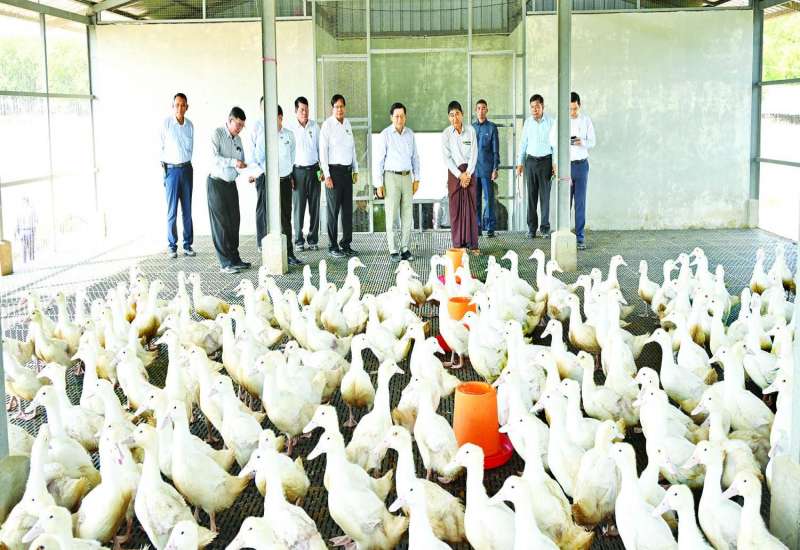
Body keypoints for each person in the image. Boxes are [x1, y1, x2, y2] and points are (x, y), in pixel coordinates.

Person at [248, 100, 303, 266]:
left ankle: (289, 254)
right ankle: (270, 255)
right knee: (269, 218)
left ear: (281, 117)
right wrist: (265, 173)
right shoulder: (264, 136)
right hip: (270, 182)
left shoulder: (289, 135)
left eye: (277, 118)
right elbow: (258, 158)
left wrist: (287, 173)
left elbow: (292, 157)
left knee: (286, 218)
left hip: (285, 181)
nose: (274, 122)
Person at [373, 102, 421, 262]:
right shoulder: (385, 134)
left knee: (407, 214)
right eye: (396, 116)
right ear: (391, 118)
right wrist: (378, 184)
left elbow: (415, 158)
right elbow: (379, 160)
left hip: (407, 177)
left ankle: (405, 248)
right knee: (392, 214)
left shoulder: (410, 134)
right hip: (391, 177)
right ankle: (393, 250)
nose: (399, 119)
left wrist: (417, 179)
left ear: (405, 117)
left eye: (402, 116)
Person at [550, 91, 596, 250]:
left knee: (580, 203)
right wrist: (563, 143)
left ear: (579, 106)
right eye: (570, 109)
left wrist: (581, 141)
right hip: (566, 166)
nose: (572, 112)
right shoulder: (560, 121)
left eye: (575, 108)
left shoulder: (586, 120)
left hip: (581, 166)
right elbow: (552, 140)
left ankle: (580, 238)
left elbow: (593, 141)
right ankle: (564, 236)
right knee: (565, 203)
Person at [208, 107, 250, 274]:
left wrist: (248, 171)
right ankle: (225, 263)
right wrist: (234, 162)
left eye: (242, 125)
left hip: (231, 185)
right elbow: (214, 158)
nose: (240, 128)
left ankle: (235, 259)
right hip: (216, 184)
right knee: (221, 224)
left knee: (234, 221)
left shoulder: (238, 140)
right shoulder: (217, 134)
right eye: (238, 124)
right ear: (230, 120)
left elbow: (242, 161)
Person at [319, 94, 359, 258]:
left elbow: (352, 148)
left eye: (342, 106)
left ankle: (346, 244)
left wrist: (355, 169)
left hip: (347, 173)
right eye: (336, 107)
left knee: (347, 211)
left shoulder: (347, 124)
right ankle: (333, 245)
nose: (339, 109)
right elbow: (323, 152)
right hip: (333, 173)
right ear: (332, 108)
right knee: (333, 211)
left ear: (345, 108)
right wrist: (327, 175)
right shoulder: (327, 125)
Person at [160, 92, 195, 258]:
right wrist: (165, 172)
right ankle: (172, 246)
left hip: (187, 170)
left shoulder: (190, 126)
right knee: (172, 211)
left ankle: (188, 245)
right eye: (177, 105)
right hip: (171, 171)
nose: (180, 108)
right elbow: (160, 148)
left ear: (187, 107)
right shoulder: (166, 124)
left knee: (187, 210)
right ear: (173, 106)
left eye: (183, 105)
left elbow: (190, 149)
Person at [516, 94, 556, 239]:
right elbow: (523, 144)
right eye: (532, 107)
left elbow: (555, 146)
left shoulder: (551, 122)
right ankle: (531, 229)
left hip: (546, 162)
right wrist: (520, 163)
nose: (534, 109)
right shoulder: (528, 123)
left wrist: (555, 163)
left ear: (542, 106)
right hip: (531, 162)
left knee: (545, 197)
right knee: (531, 197)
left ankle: (545, 229)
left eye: (537, 106)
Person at [441, 100, 479, 254]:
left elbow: (474, 154)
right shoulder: (446, 134)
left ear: (462, 114)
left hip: (469, 173)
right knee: (455, 209)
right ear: (448, 117)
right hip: (454, 174)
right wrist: (459, 175)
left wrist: (468, 174)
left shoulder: (471, 131)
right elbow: (447, 158)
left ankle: (473, 244)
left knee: (471, 208)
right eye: (451, 115)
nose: (455, 117)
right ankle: (458, 244)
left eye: (457, 114)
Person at [289, 96, 323, 252]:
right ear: (296, 111)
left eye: (307, 109)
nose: (305, 112)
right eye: (302, 110)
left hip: (314, 170)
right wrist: (290, 175)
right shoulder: (290, 129)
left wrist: (322, 170)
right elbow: (288, 154)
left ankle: (313, 239)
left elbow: (320, 150)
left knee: (315, 206)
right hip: (298, 172)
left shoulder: (315, 127)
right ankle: (298, 240)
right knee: (299, 208)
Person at [472, 99, 500, 238]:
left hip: (487, 170)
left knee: (489, 199)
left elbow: (495, 150)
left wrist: (495, 168)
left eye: (483, 108)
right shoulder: (471, 128)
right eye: (478, 108)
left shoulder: (492, 128)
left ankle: (490, 228)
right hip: (474, 170)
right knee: (475, 200)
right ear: (475, 111)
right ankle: (477, 228)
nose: (481, 111)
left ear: (487, 110)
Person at [15, 196, 37, 263]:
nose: (24, 203)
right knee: (23, 248)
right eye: (23, 201)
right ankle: (24, 262)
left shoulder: (32, 210)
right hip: (22, 231)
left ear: (27, 202)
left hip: (29, 230)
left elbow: (35, 220)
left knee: (31, 248)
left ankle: (31, 261)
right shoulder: (20, 211)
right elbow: (17, 221)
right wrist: (16, 230)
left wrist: (34, 229)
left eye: (25, 201)